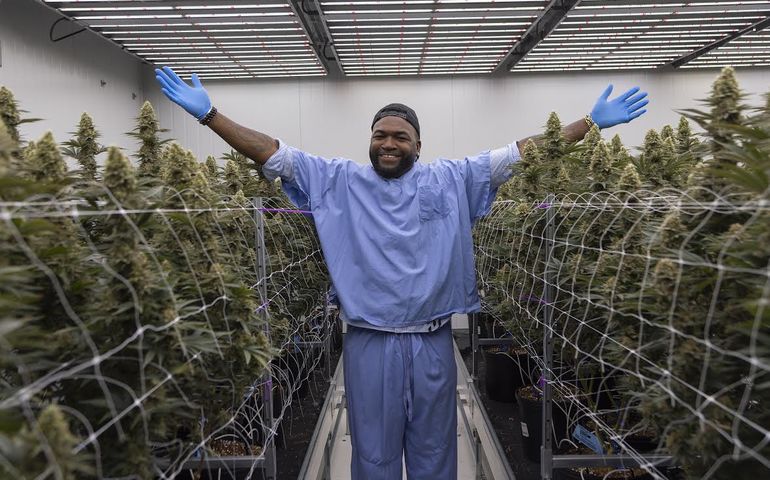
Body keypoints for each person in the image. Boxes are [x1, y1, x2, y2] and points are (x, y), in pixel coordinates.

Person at [155, 66, 648, 480]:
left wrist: (588, 123)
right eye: (380, 135)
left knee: (436, 451)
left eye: (400, 137)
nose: (388, 143)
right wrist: (209, 114)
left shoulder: (453, 178)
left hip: (434, 340)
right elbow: (271, 151)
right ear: (370, 140)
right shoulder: (337, 180)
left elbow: (521, 153)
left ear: (418, 144)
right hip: (369, 340)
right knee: (373, 452)